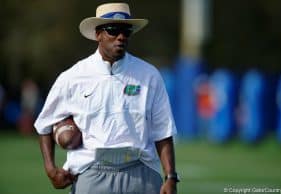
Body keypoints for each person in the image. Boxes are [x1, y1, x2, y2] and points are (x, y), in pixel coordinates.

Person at [34, 2, 179, 194]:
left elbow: (163, 130)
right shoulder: (72, 77)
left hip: (140, 170)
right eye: (113, 30)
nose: (120, 37)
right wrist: (51, 169)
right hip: (91, 172)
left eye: (126, 31)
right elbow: (44, 124)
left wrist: (170, 177)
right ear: (98, 34)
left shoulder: (149, 75)